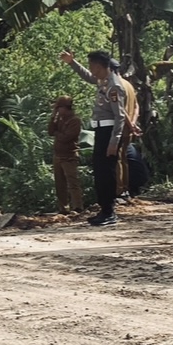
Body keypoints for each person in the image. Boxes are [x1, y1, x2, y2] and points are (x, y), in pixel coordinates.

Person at [59, 50, 131, 226]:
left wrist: (114, 142)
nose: (90, 68)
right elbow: (87, 76)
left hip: (109, 132)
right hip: (101, 131)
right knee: (99, 172)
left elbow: (120, 116)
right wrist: (72, 62)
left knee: (107, 172)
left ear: (99, 66)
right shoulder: (103, 80)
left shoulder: (114, 86)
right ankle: (104, 209)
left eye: (91, 65)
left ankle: (109, 211)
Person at [48, 95, 84, 214]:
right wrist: (53, 118)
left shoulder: (75, 121)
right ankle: (63, 207)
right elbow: (50, 131)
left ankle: (77, 207)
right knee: (59, 184)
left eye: (59, 108)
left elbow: (67, 137)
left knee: (73, 182)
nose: (58, 110)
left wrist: (57, 133)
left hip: (69, 156)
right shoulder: (59, 119)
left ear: (66, 108)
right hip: (58, 155)